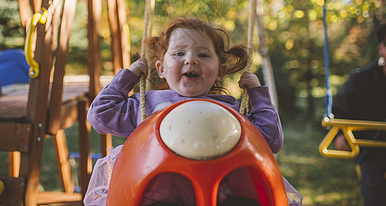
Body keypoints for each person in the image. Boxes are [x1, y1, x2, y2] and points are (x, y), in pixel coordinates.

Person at [84, 17, 302, 206]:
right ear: (161, 69)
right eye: (179, 53)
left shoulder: (229, 111)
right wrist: (128, 77)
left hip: (219, 196)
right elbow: (100, 115)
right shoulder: (148, 107)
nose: (191, 59)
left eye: (204, 55)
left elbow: (270, 140)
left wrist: (257, 94)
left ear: (220, 72)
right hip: (159, 197)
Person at [333, 23, 386, 206]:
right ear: (381, 48)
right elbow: (341, 108)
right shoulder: (361, 79)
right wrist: (341, 134)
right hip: (372, 151)